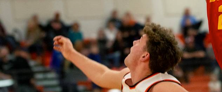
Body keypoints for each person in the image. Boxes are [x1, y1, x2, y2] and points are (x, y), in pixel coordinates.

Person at [53, 23, 187, 92]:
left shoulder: (162, 86)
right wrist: (71, 53)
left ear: (145, 55)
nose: (134, 42)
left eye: (139, 41)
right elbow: (101, 74)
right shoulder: (129, 77)